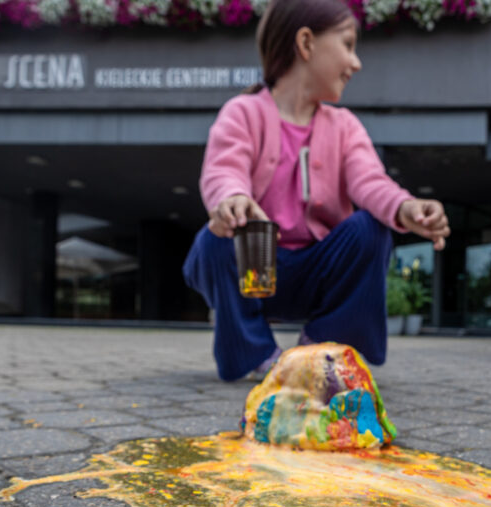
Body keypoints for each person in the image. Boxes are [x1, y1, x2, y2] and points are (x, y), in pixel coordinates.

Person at [183, 0, 450, 381]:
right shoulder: (242, 113)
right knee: (215, 239)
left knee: (370, 228)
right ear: (306, 44)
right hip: (256, 271)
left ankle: (321, 347)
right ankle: (258, 355)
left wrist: (405, 207)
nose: (356, 63)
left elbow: (370, 180)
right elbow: (223, 169)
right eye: (347, 44)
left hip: (317, 271)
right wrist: (232, 198)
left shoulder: (344, 126)